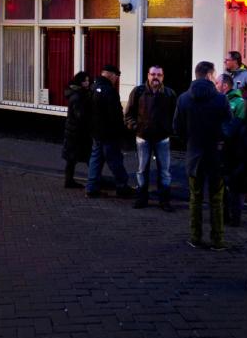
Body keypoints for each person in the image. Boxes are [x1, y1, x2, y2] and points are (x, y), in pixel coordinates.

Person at [174, 61, 231, 250]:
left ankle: (196, 237)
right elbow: (228, 127)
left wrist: (190, 141)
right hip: (215, 154)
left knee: (195, 198)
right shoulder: (221, 99)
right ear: (209, 75)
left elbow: (177, 128)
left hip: (194, 153)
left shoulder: (183, 99)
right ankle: (218, 239)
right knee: (216, 199)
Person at [125, 65, 177, 211]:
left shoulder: (169, 93)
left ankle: (164, 200)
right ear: (148, 75)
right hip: (143, 137)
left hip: (163, 138)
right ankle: (142, 198)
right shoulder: (138, 91)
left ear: (163, 76)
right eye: (153, 74)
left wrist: (171, 129)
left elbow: (175, 115)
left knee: (164, 170)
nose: (156, 77)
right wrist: (135, 127)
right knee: (142, 169)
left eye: (159, 75)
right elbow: (129, 113)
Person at [86, 65, 134, 199]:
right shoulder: (110, 91)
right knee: (115, 160)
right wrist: (122, 131)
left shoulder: (92, 88)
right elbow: (115, 115)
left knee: (96, 158)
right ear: (111, 75)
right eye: (117, 77)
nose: (117, 80)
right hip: (109, 133)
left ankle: (91, 187)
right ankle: (122, 186)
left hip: (96, 132)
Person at [217, 73, 246, 227]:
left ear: (225, 86)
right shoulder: (218, 101)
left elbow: (237, 127)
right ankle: (223, 215)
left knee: (235, 185)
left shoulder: (240, 103)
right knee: (222, 183)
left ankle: (235, 218)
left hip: (235, 151)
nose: (215, 86)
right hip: (222, 150)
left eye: (217, 83)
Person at [61, 71, 92, 189]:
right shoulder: (78, 97)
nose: (87, 83)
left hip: (74, 131)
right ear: (79, 82)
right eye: (85, 81)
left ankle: (69, 180)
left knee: (72, 158)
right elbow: (80, 115)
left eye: (88, 80)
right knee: (86, 157)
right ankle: (93, 180)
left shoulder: (79, 94)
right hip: (77, 132)